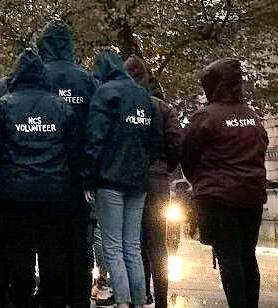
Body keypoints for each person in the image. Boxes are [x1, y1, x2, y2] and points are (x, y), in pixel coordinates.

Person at [0, 49, 77, 308]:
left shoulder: (3, 106)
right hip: (54, 190)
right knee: (52, 252)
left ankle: (22, 299)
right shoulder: (61, 107)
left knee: (19, 252)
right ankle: (52, 300)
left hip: (14, 192)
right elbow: (73, 151)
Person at [181, 58, 268, 308]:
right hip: (252, 195)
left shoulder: (206, 117)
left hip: (219, 198)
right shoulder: (252, 117)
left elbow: (188, 154)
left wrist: (200, 180)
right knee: (247, 256)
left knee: (228, 256)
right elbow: (261, 146)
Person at [83, 49, 162, 308]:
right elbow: (156, 140)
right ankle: (139, 302)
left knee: (113, 247)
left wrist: (89, 178)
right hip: (137, 181)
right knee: (132, 247)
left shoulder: (105, 94)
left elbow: (94, 139)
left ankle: (123, 302)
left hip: (110, 180)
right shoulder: (143, 96)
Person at [35, 19, 96, 308]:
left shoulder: (40, 76)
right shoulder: (85, 79)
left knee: (50, 240)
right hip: (79, 172)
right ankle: (79, 293)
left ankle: (51, 293)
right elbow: (95, 128)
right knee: (78, 237)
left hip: (46, 170)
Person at [124, 56, 182, 308]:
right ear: (146, 78)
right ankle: (160, 298)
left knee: (132, 242)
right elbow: (176, 144)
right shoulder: (162, 108)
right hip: (158, 180)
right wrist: (166, 168)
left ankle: (140, 294)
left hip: (130, 180)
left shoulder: (121, 107)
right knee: (158, 243)